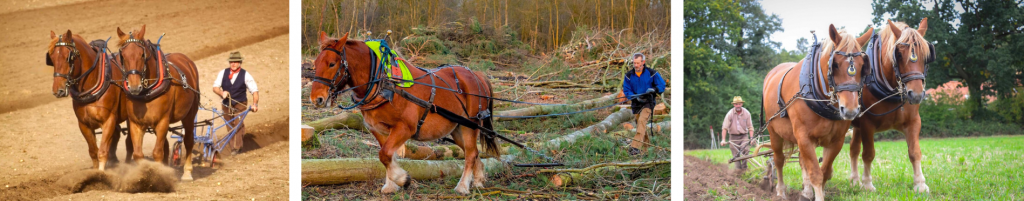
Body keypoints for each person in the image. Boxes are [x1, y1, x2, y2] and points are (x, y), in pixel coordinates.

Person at [212, 51, 259, 155]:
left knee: (237, 123)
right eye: (231, 61)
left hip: (240, 103)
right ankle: (233, 148)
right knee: (229, 126)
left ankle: (237, 149)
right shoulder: (223, 73)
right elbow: (215, 87)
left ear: (240, 62)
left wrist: (255, 104)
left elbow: (255, 91)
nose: (233, 64)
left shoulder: (245, 75)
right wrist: (221, 92)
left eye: (235, 61)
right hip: (226, 104)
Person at [622, 52, 666, 156]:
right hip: (636, 103)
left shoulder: (652, 73)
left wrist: (654, 89)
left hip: (648, 103)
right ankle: (647, 149)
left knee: (642, 121)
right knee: (641, 126)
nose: (636, 65)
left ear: (643, 62)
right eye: (634, 63)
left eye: (638, 63)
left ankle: (635, 148)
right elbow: (626, 90)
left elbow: (662, 85)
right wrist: (634, 96)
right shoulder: (628, 76)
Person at [721, 96, 754, 170]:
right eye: (736, 104)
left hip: (744, 136)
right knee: (736, 154)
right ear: (734, 105)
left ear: (742, 104)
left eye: (739, 104)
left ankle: (744, 168)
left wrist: (751, 138)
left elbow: (750, 127)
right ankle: (738, 170)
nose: (738, 106)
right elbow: (725, 127)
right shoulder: (730, 114)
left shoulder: (747, 113)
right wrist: (723, 140)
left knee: (745, 150)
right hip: (733, 137)